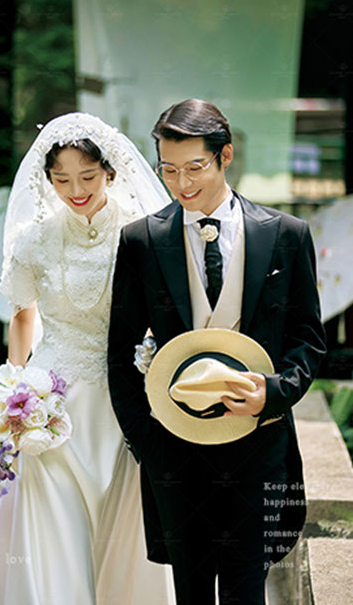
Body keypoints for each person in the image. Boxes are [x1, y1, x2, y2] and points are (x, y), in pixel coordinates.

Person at [108, 99, 326, 605]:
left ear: (225, 156)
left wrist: (274, 394)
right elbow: (119, 352)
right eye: (168, 170)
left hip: (260, 446)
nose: (181, 184)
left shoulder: (286, 235)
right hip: (174, 451)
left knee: (247, 590)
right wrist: (148, 442)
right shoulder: (141, 241)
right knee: (190, 592)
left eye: (194, 168)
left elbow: (309, 338)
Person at [0, 113, 175, 604]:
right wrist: (14, 386)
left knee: (121, 518)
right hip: (51, 399)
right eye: (61, 180)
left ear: (110, 171)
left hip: (122, 398)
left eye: (87, 176)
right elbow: (23, 316)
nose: (75, 190)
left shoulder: (141, 234)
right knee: (55, 518)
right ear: (48, 179)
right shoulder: (35, 238)